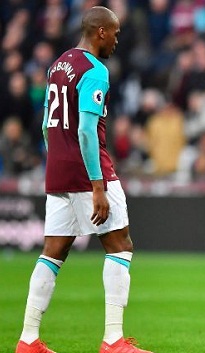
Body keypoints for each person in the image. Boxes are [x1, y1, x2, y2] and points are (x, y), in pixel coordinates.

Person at [16, 6, 152, 353]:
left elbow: (48, 123)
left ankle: (28, 339)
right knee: (120, 246)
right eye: (115, 33)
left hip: (58, 168)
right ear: (101, 32)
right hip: (88, 170)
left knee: (53, 251)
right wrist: (96, 185)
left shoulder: (58, 64)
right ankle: (113, 340)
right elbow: (87, 132)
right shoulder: (95, 70)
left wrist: (57, 158)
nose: (117, 40)